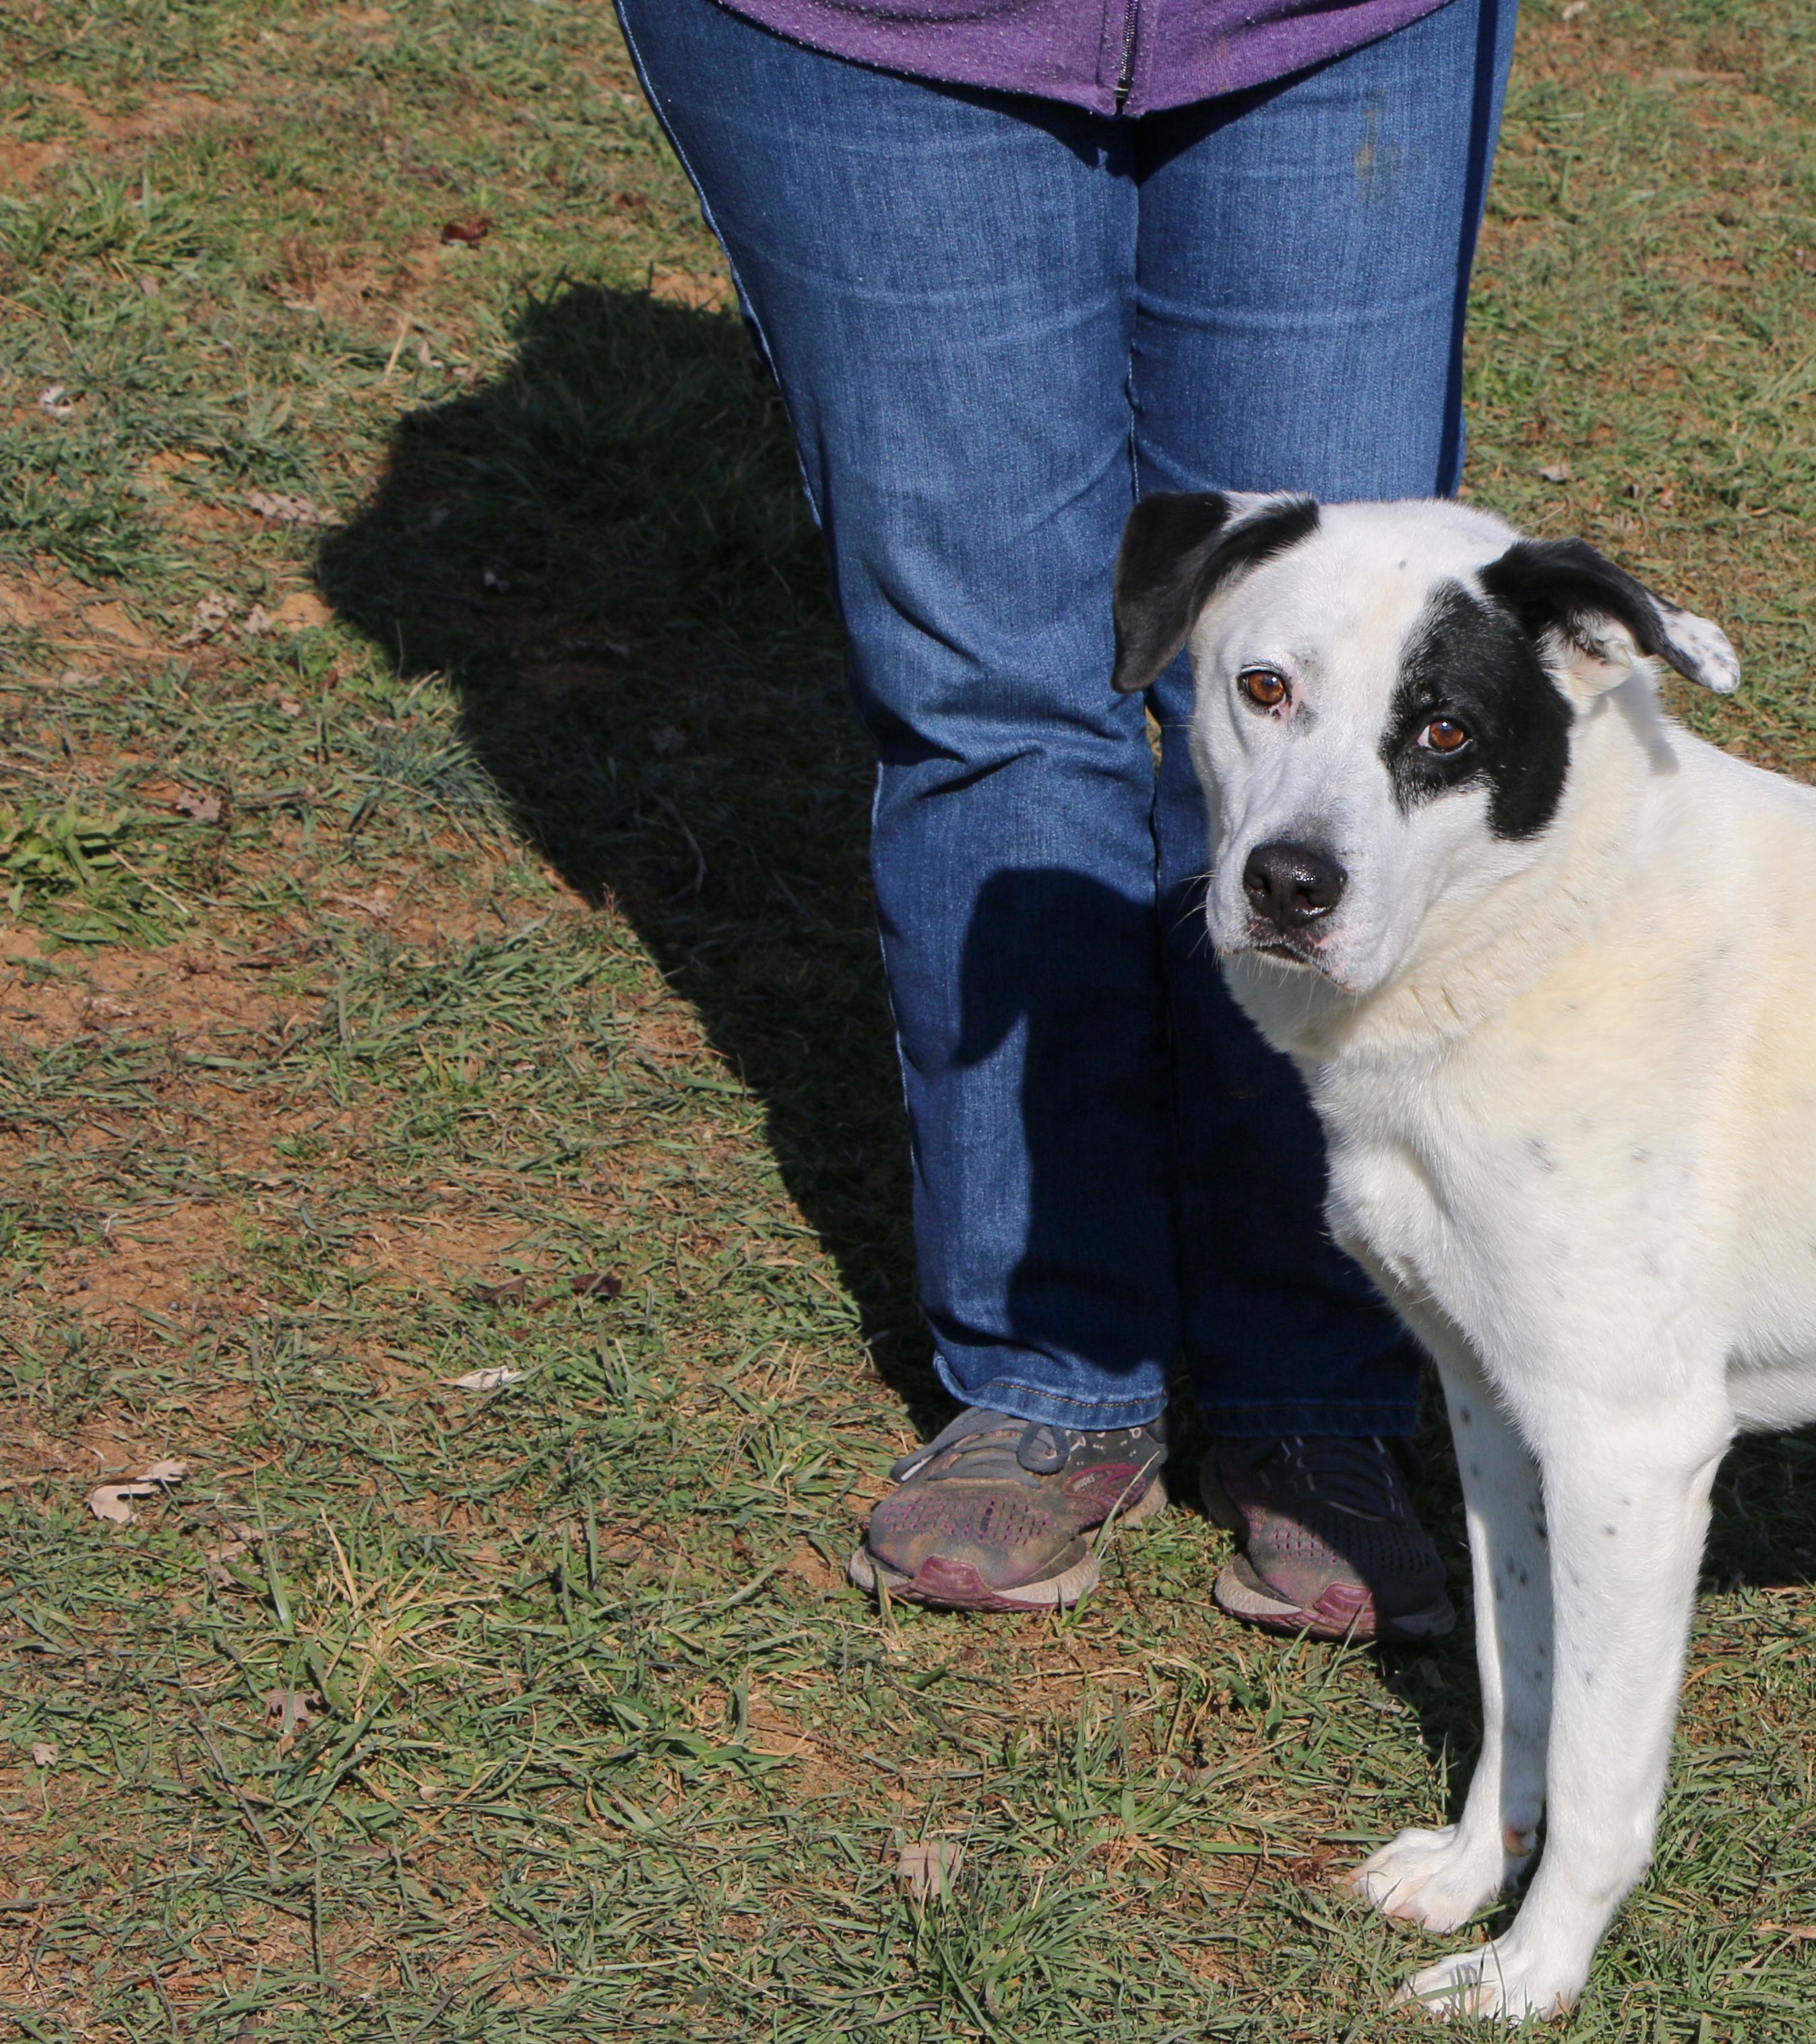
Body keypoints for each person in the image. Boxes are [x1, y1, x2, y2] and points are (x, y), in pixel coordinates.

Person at [617, 0, 1508, 1630]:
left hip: (1334, 28)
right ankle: (1055, 1365)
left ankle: (1314, 1377)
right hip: (859, 35)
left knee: (1332, 682)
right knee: (993, 702)